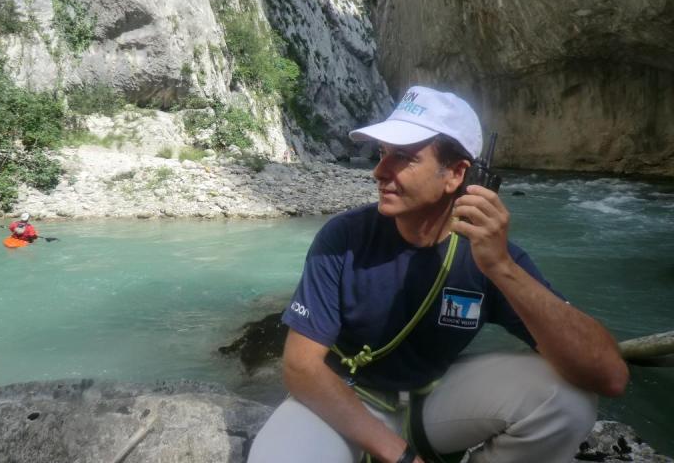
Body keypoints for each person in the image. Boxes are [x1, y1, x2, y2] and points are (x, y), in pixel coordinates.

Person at [248, 86, 628, 463]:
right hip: (343, 399)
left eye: (404, 158)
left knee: (569, 402)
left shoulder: (492, 256)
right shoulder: (343, 237)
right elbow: (301, 366)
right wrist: (401, 456)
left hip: (433, 400)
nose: (379, 171)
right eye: (382, 154)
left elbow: (610, 377)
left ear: (457, 174)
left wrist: (502, 269)